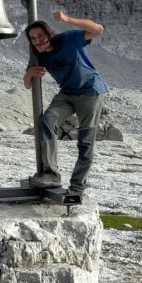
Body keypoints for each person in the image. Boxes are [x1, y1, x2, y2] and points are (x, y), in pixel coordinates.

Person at [23, 10, 108, 193]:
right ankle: (51, 174)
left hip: (90, 92)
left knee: (85, 141)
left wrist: (67, 19)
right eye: (33, 38)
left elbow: (98, 29)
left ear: (49, 34)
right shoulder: (38, 55)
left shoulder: (68, 39)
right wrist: (29, 74)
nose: (38, 41)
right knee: (47, 121)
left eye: (41, 36)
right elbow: (28, 84)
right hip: (67, 94)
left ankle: (77, 186)